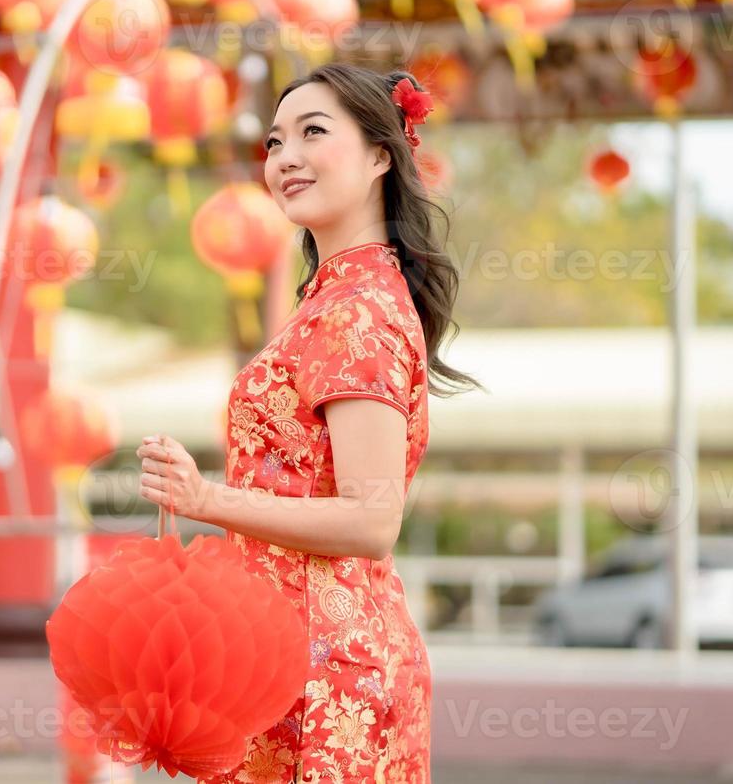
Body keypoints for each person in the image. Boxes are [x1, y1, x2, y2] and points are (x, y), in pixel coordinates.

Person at [137, 62, 480, 782]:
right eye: (272, 142)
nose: (284, 158)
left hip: (325, 679)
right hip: (291, 659)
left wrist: (203, 500)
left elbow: (370, 519)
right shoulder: (337, 300)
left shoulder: (356, 309)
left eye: (312, 133)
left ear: (381, 154)